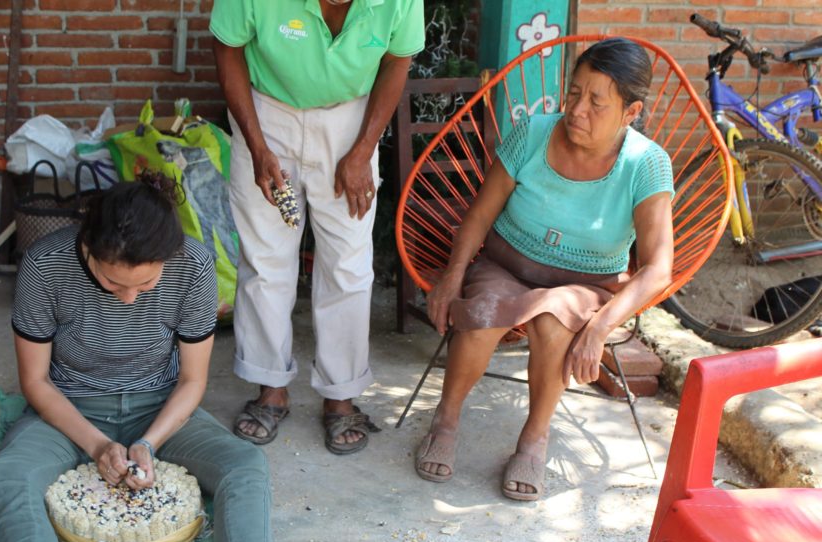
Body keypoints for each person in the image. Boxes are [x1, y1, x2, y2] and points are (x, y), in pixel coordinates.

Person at [0, 177, 335, 542]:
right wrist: (97, 444)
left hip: (161, 407)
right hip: (70, 408)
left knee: (244, 463)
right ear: (86, 246)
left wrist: (148, 441)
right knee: (6, 476)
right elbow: (35, 381)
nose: (128, 299)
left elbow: (192, 381)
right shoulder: (45, 264)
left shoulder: (193, 264)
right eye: (111, 283)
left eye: (145, 286)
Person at [413, 38, 674, 500]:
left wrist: (600, 327)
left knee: (555, 323)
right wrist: (452, 274)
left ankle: (533, 440)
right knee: (483, 313)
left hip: (584, 284)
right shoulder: (533, 132)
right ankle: (446, 419)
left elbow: (657, 269)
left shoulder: (645, 164)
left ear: (631, 113)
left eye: (597, 103)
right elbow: (480, 214)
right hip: (506, 265)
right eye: (574, 94)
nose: (577, 110)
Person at [210, 0, 425, 455]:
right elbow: (227, 48)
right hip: (266, 111)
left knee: (349, 262)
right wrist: (257, 146)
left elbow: (397, 60)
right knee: (266, 259)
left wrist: (364, 149)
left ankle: (340, 394)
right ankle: (270, 387)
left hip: (351, 118)